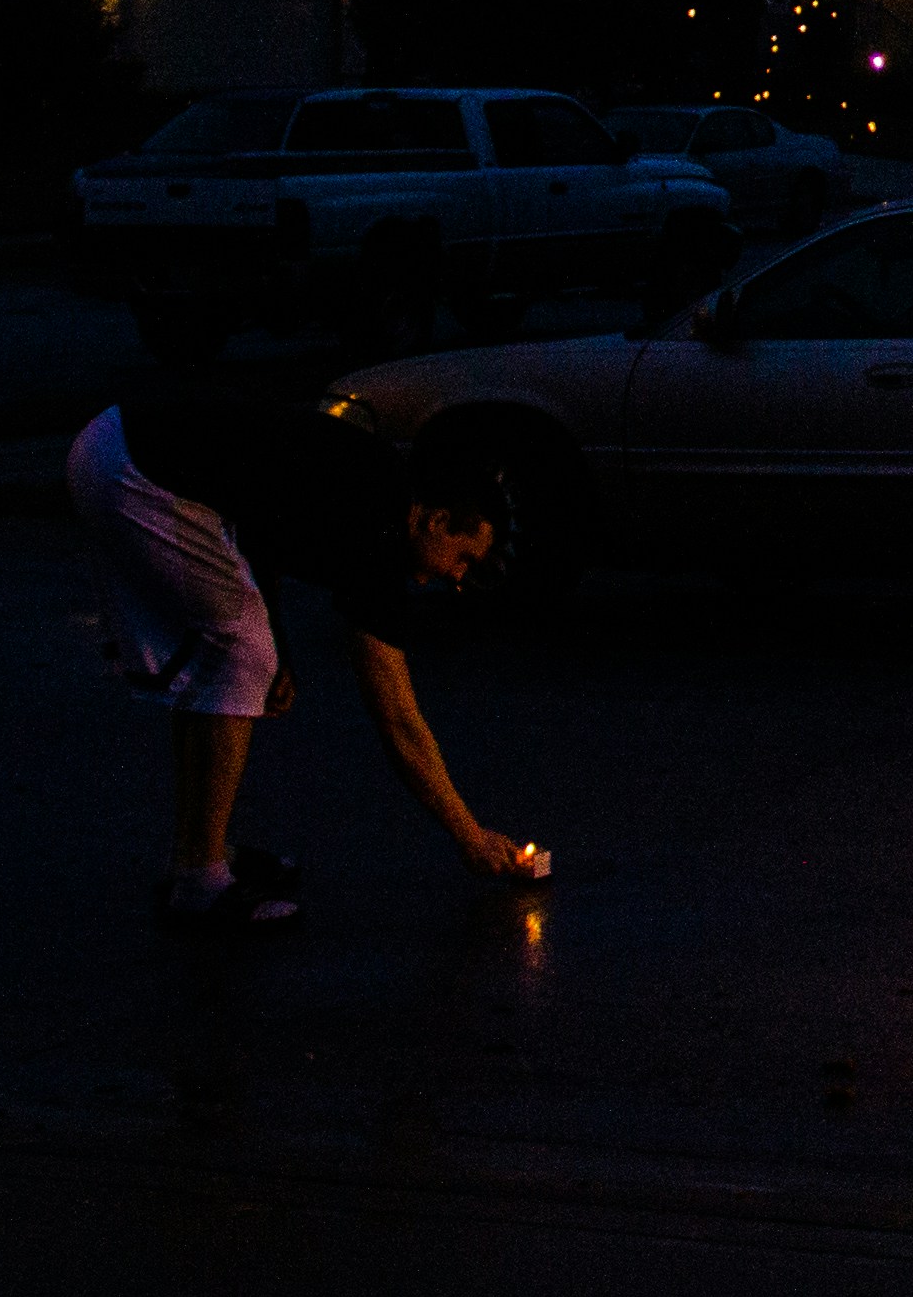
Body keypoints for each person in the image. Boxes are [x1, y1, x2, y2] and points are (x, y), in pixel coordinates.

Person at [63, 381, 555, 925]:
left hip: (118, 447)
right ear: (436, 519)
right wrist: (469, 835)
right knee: (241, 655)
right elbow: (396, 717)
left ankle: (199, 851)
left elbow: (260, 532)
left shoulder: (373, 490)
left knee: (231, 657)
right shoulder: (379, 527)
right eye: (464, 558)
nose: (459, 580)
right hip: (137, 470)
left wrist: (280, 644)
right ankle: (199, 879)